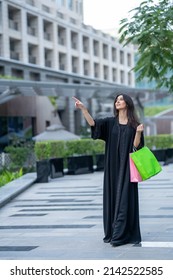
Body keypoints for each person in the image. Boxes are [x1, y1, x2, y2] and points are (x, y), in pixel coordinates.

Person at [72, 94, 144, 247]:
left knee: (125, 198)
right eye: (116, 100)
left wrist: (138, 132)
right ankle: (113, 232)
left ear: (127, 103)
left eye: (121, 99)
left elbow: (136, 147)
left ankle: (121, 234)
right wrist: (84, 109)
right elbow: (94, 124)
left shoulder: (134, 125)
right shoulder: (110, 122)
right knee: (113, 197)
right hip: (112, 168)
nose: (117, 101)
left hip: (127, 169)